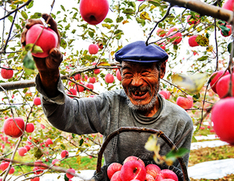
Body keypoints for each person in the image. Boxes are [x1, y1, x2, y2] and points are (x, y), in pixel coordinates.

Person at [21, 14, 193, 169]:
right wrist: (48, 74)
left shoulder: (180, 122)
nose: (136, 82)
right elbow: (65, 115)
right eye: (128, 73)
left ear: (161, 70)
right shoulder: (111, 105)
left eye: (145, 72)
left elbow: (178, 180)